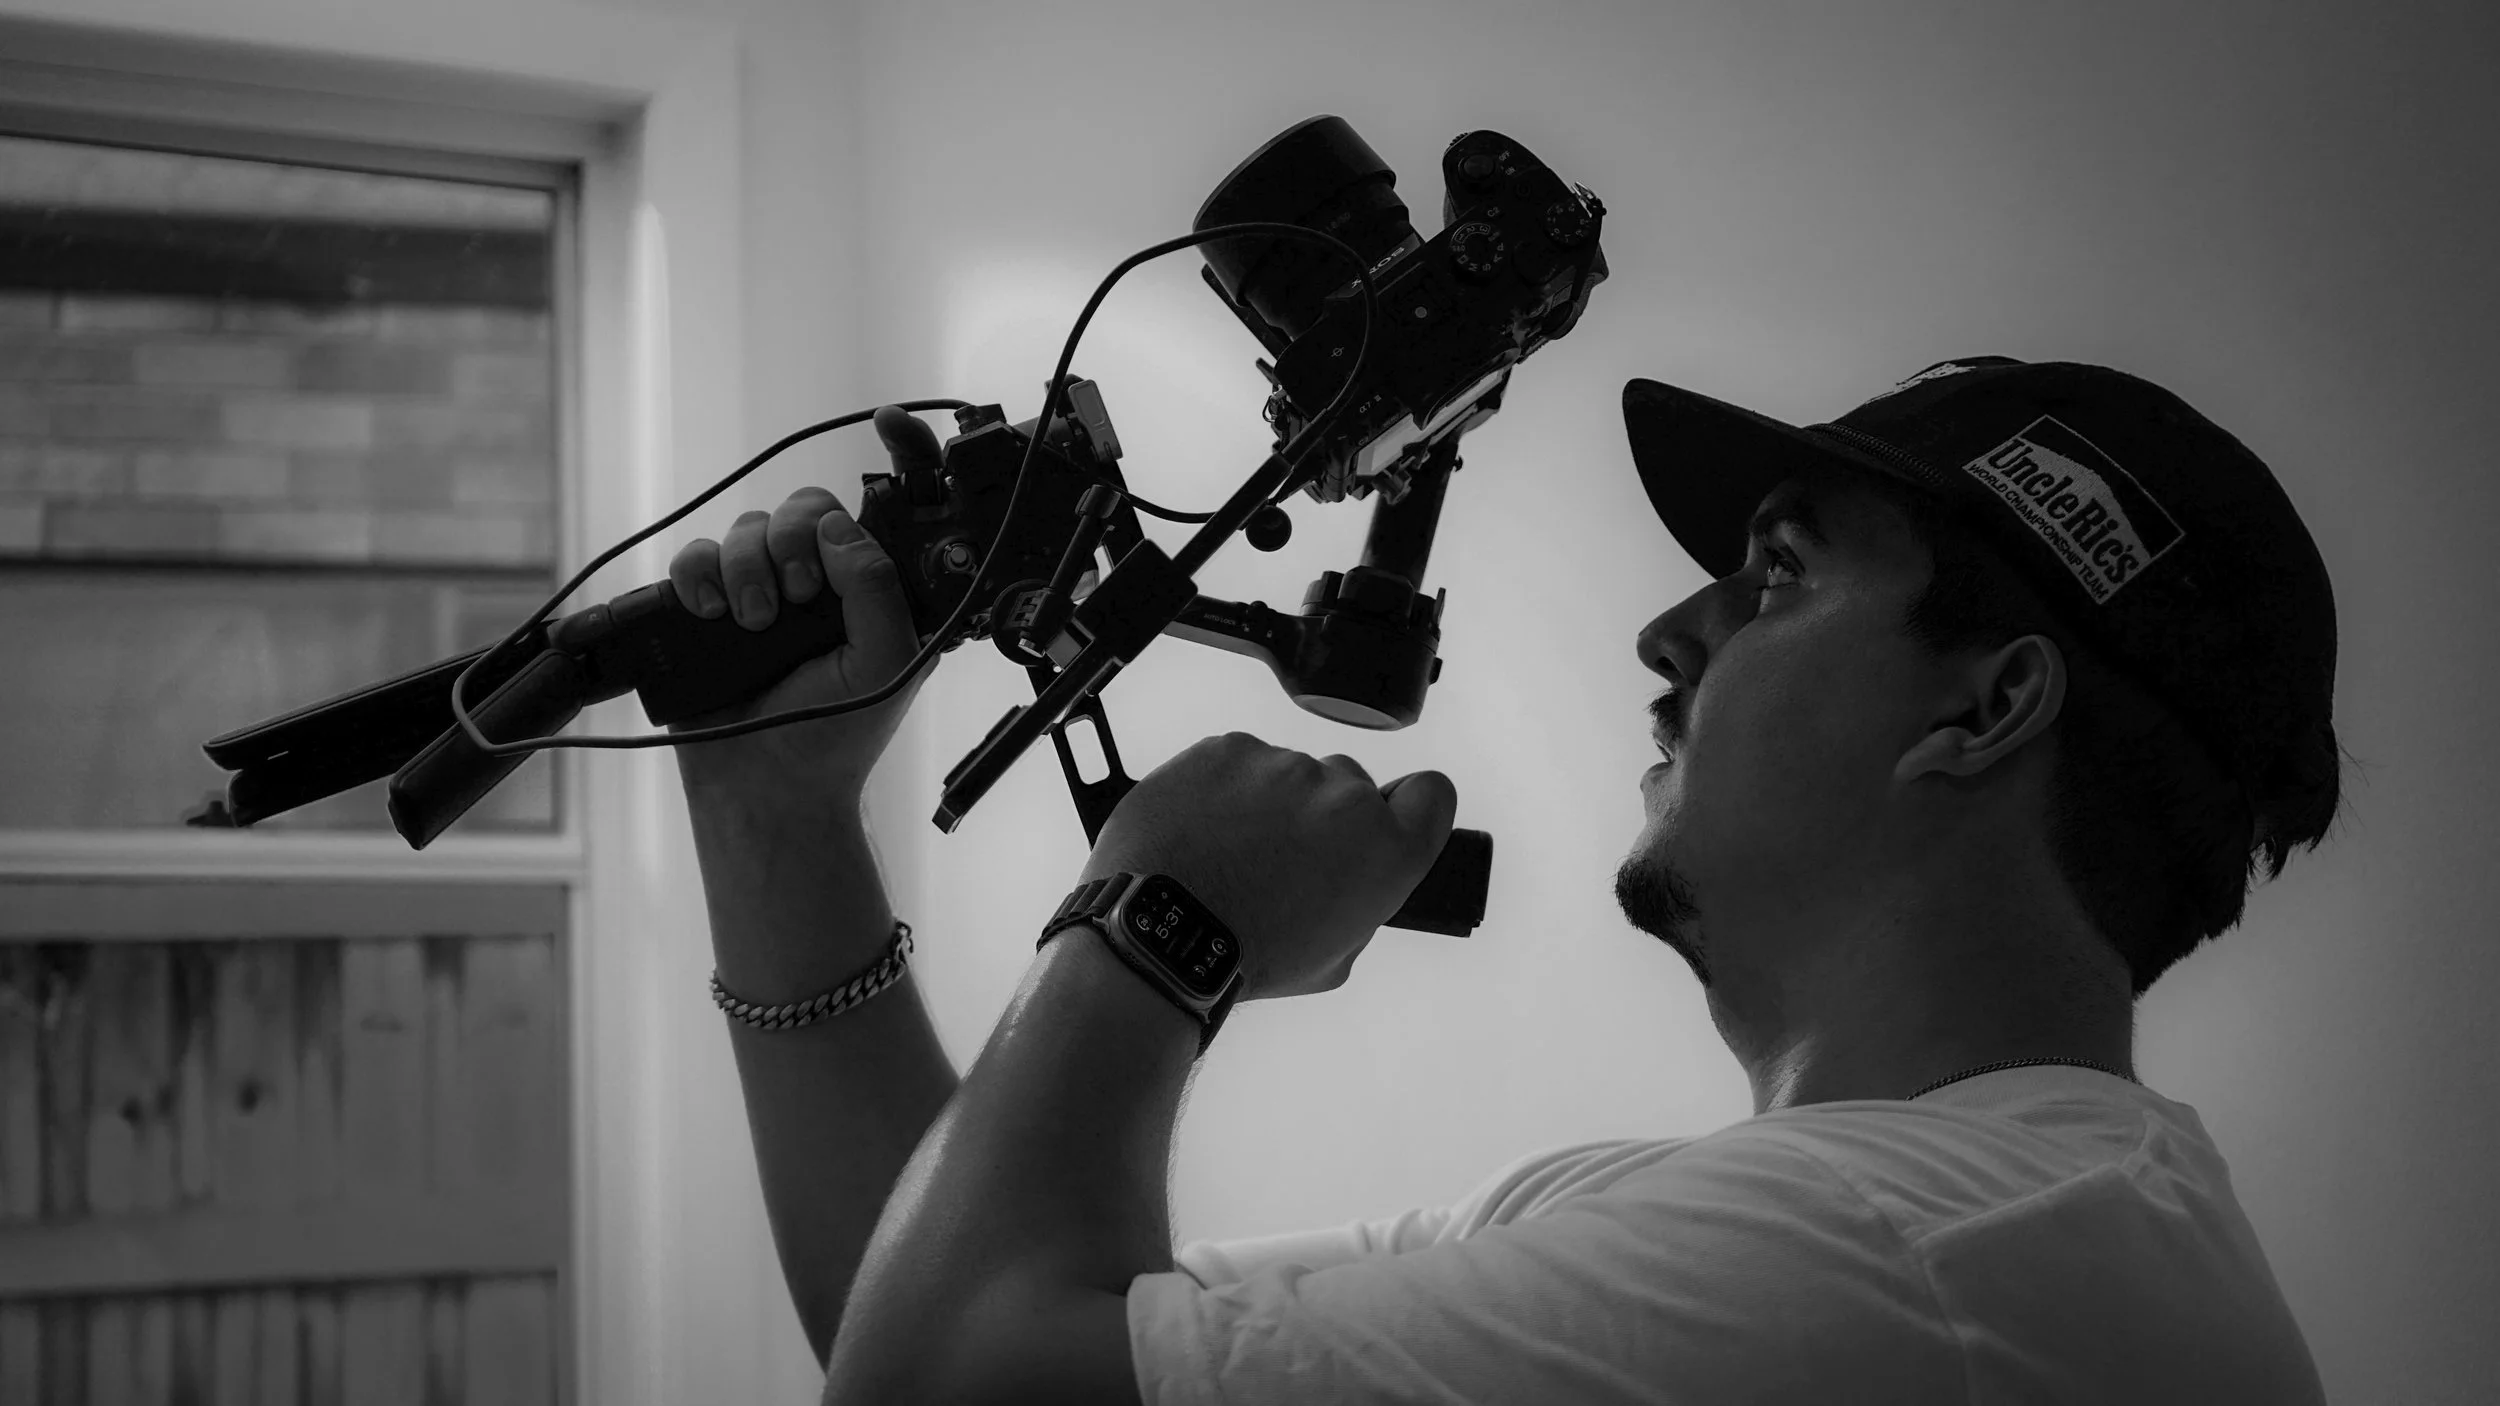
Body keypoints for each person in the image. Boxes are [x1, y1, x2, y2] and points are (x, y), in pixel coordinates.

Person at [668, 358, 2340, 1404]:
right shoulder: (1934, 1229)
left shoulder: (1894, 1255)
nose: (1672, 633)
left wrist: (1158, 924)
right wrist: (780, 823)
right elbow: (946, 1306)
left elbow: (948, 1383)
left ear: (1987, 707)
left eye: (1778, 575)